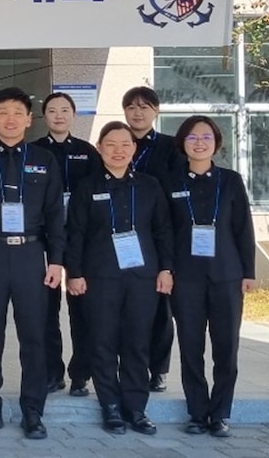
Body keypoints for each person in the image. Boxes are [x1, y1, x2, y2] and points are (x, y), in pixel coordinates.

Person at [0, 88, 66, 440]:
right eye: (3, 112)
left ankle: (33, 411)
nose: (10, 119)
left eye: (17, 112)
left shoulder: (43, 159)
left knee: (34, 336)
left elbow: (54, 214)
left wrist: (56, 261)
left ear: (28, 119)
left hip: (31, 257)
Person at [65, 121, 175, 437]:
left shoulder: (150, 186)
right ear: (99, 148)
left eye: (125, 144)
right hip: (99, 277)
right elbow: (76, 234)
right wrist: (75, 274)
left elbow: (163, 231)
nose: (118, 151)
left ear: (134, 149)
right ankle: (110, 406)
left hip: (142, 277)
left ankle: (136, 408)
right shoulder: (87, 187)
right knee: (102, 341)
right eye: (110, 144)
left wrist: (166, 269)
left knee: (137, 342)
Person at [168, 115, 256, 438]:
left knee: (226, 348)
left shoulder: (231, 181)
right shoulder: (172, 182)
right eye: (192, 137)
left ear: (217, 143)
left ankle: (219, 413)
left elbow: (243, 229)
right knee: (191, 347)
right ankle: (196, 412)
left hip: (227, 276)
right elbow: (165, 231)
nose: (200, 142)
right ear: (183, 144)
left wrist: (249, 271)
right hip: (186, 278)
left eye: (206, 137)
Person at [32, 91, 103, 398]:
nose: (58, 115)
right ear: (43, 116)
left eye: (64, 110)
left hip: (81, 240)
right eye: (52, 110)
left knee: (82, 309)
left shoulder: (88, 153)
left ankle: (80, 374)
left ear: (74, 115)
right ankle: (52, 372)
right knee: (46, 310)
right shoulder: (33, 151)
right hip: (43, 239)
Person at [122, 85, 185, 393]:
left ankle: (158, 368)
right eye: (132, 107)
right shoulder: (115, 143)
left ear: (156, 111)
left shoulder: (171, 147)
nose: (138, 112)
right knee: (126, 307)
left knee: (160, 307)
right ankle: (129, 365)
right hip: (120, 237)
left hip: (157, 234)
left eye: (144, 107)